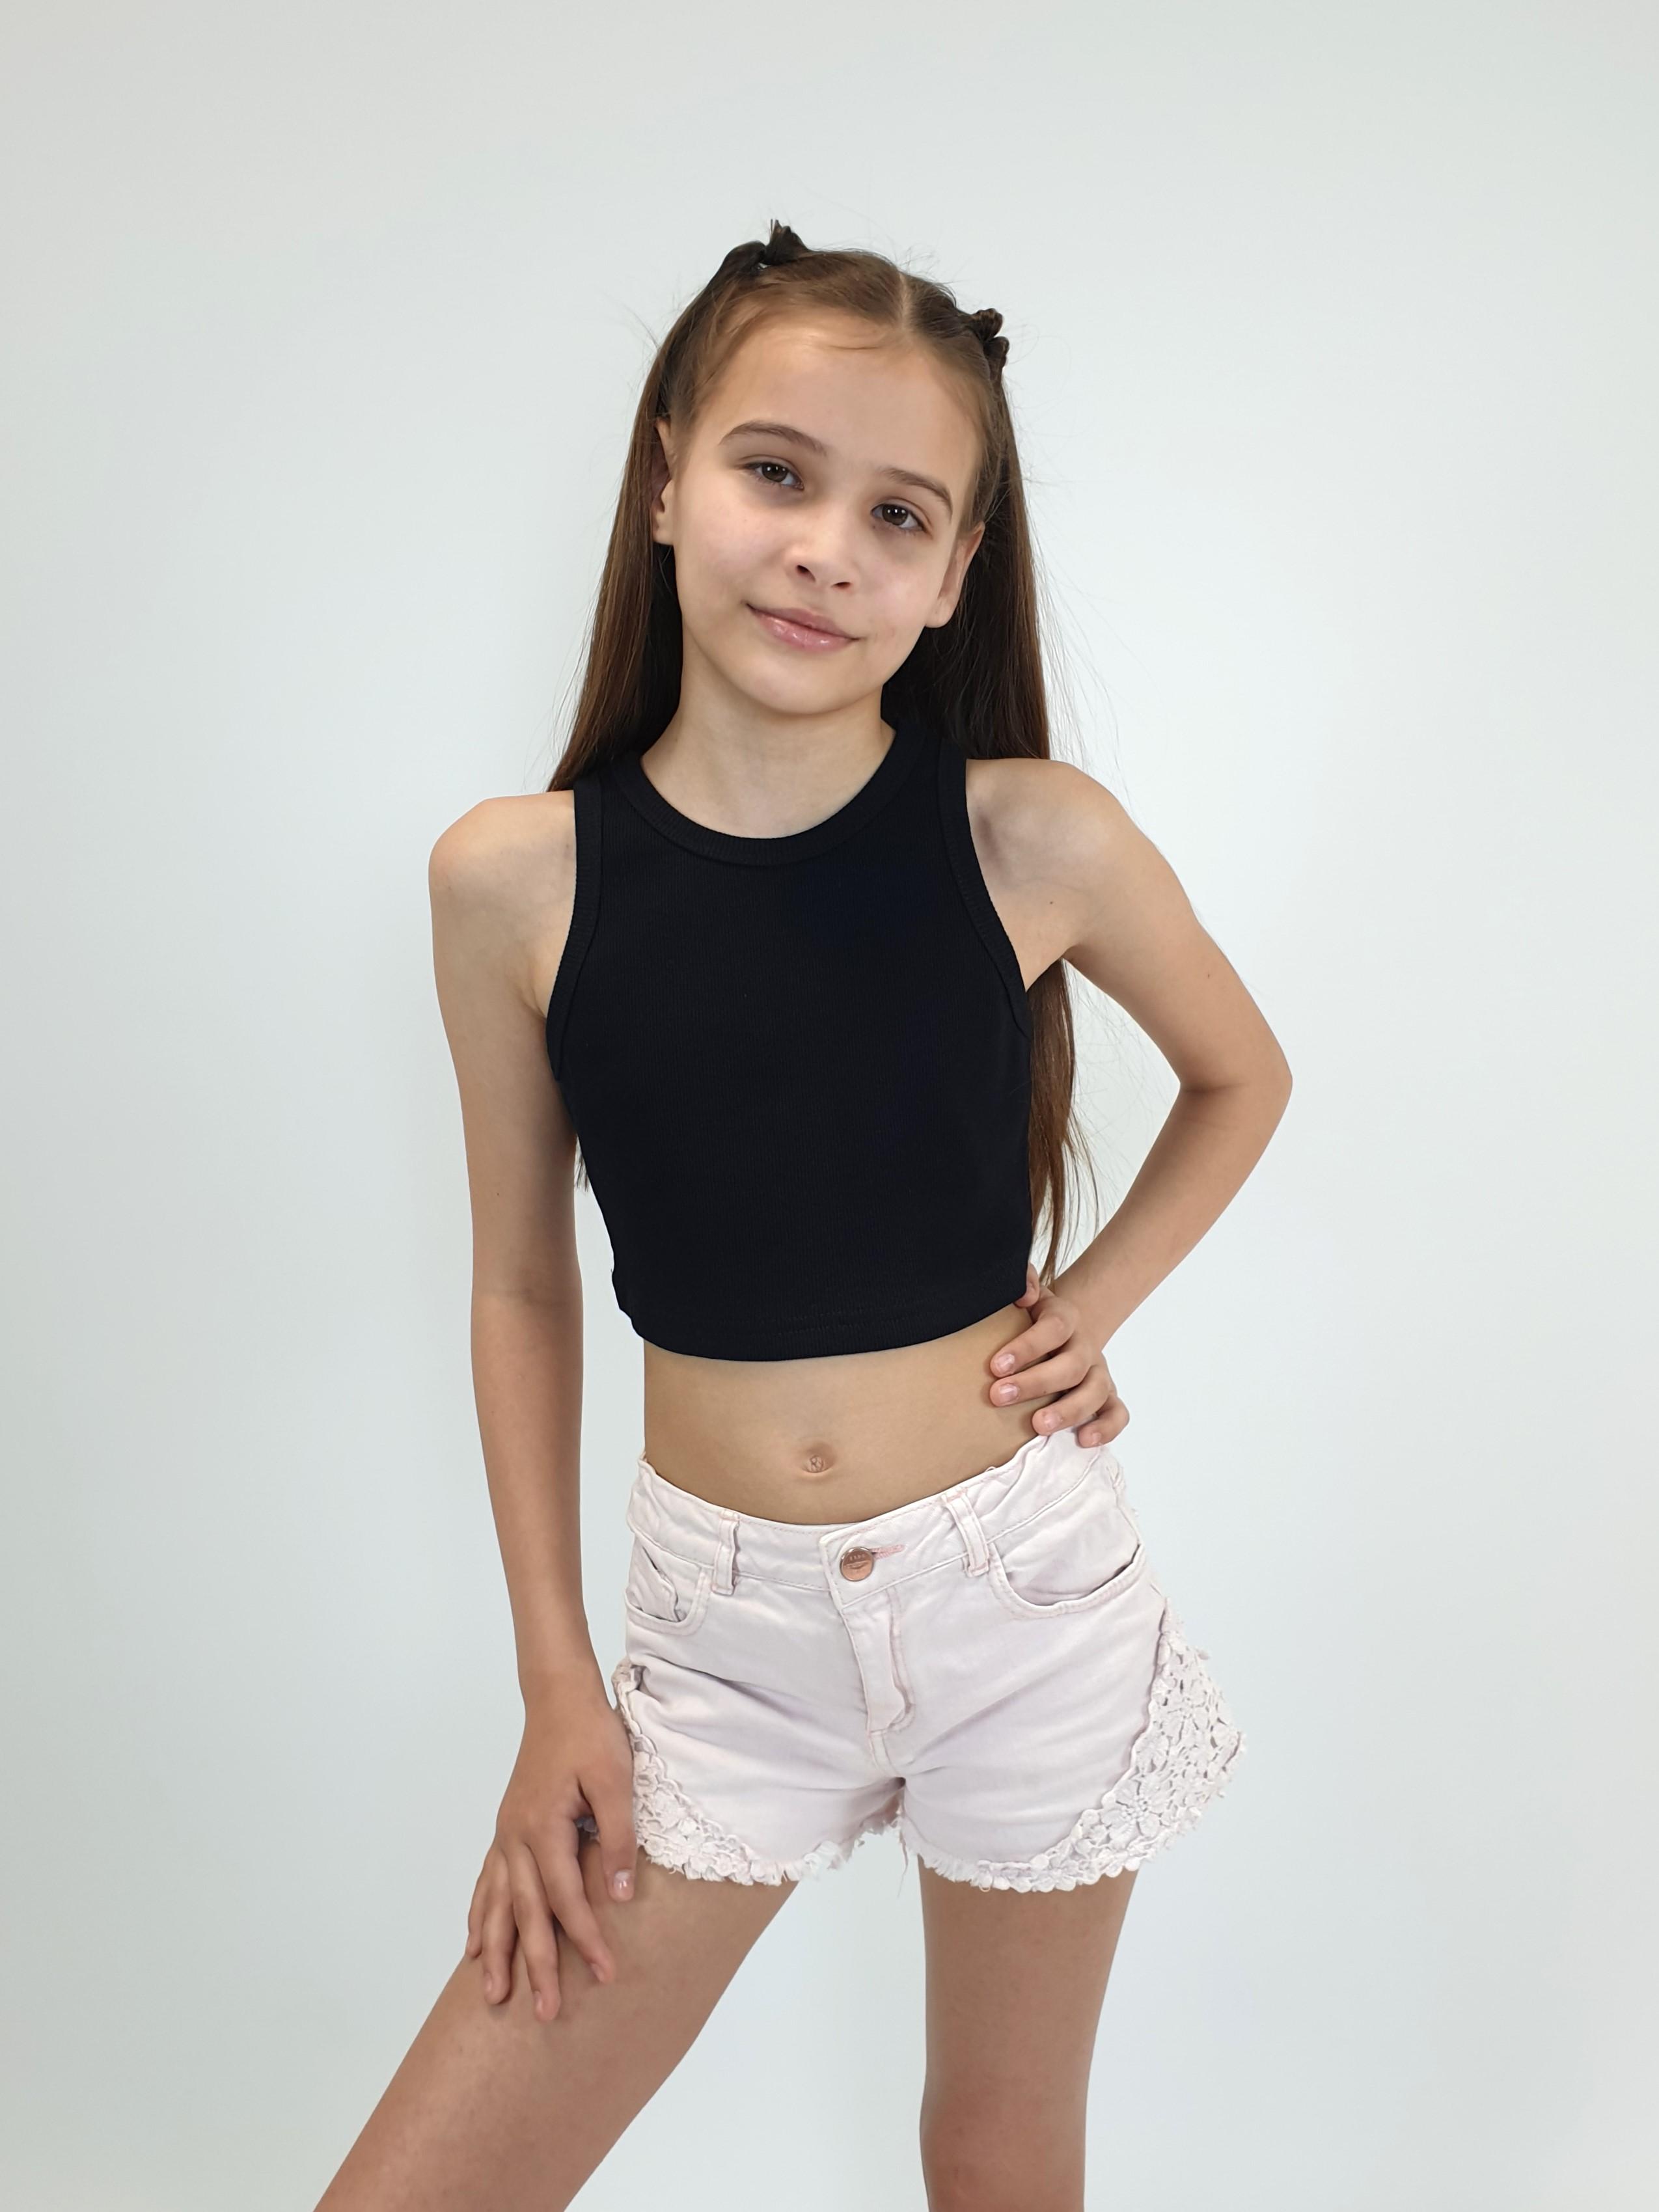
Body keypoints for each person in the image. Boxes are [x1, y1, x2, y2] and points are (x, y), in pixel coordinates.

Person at [317, 219, 1292, 2212]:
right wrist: (559, 1683)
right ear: (668, 476)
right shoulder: (512, 883)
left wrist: (1096, 1303)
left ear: (953, 573)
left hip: (1024, 1603)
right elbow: (521, 1288)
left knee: (994, 2156)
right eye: (778, 472)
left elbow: (1242, 1076)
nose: (827, 547)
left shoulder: (1032, 838)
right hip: (719, 1654)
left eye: (896, 513)